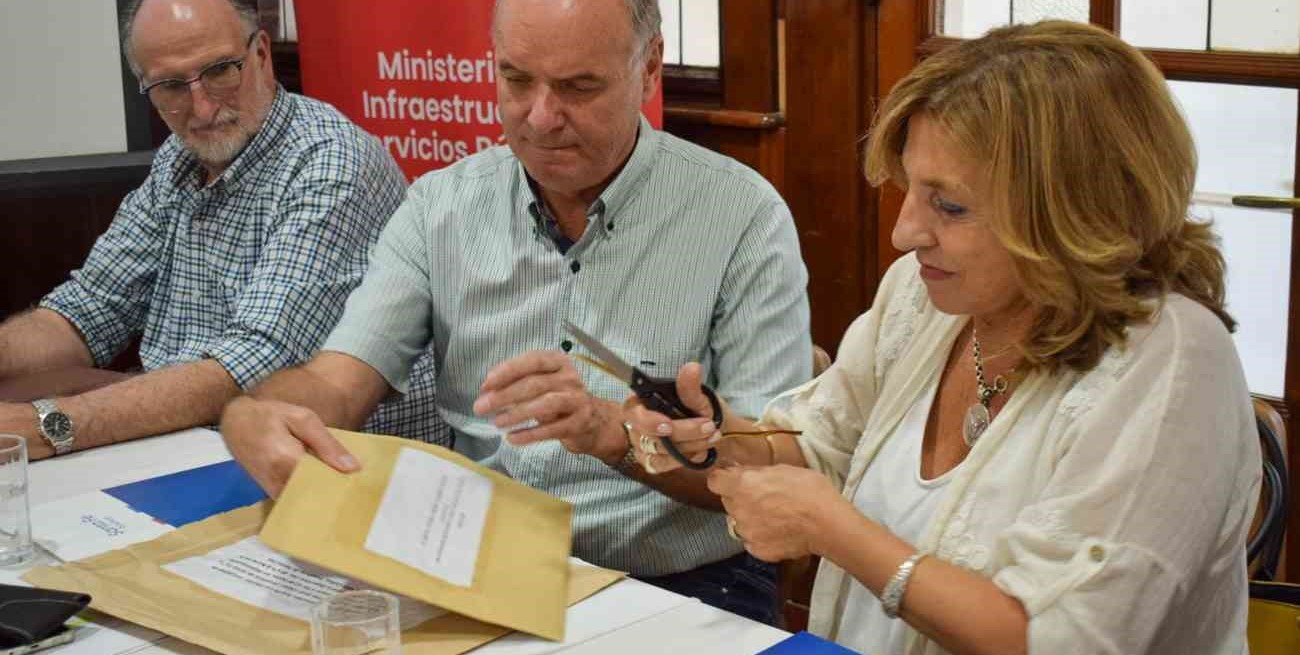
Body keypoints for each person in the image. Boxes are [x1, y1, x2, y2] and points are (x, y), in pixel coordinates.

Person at [614, 21, 1259, 654]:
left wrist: (833, 530)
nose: (905, 233)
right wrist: (717, 438)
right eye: (911, 191)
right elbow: (820, 446)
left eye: (949, 206)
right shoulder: (924, 298)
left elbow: (1060, 639)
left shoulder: (1172, 361)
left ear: (1075, 212)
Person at [219, 0, 811, 625]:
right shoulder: (441, 208)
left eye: (579, 87)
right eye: (517, 80)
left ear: (650, 68)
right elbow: (336, 381)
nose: (541, 117)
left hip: (684, 582)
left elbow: (775, 466)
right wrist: (254, 413)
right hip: (476, 568)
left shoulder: (740, 216)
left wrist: (615, 436)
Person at [0, 0, 445, 461]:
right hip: (193, 445)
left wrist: (49, 426)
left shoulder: (330, 161)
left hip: (332, 470)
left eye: (219, 71)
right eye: (171, 86)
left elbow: (251, 366)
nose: (202, 107)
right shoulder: (179, 160)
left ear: (262, 55)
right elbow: (87, 311)